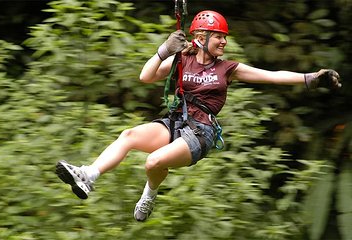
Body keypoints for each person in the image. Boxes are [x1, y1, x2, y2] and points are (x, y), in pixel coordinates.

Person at [55, 10, 341, 222]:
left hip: (200, 133)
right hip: (175, 122)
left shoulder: (228, 68)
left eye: (224, 37)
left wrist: (312, 78)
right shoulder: (182, 58)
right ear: (201, 37)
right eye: (219, 36)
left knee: (153, 161)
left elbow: (272, 76)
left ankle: (149, 194)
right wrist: (164, 50)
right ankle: (88, 175)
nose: (224, 42)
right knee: (128, 136)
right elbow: (145, 76)